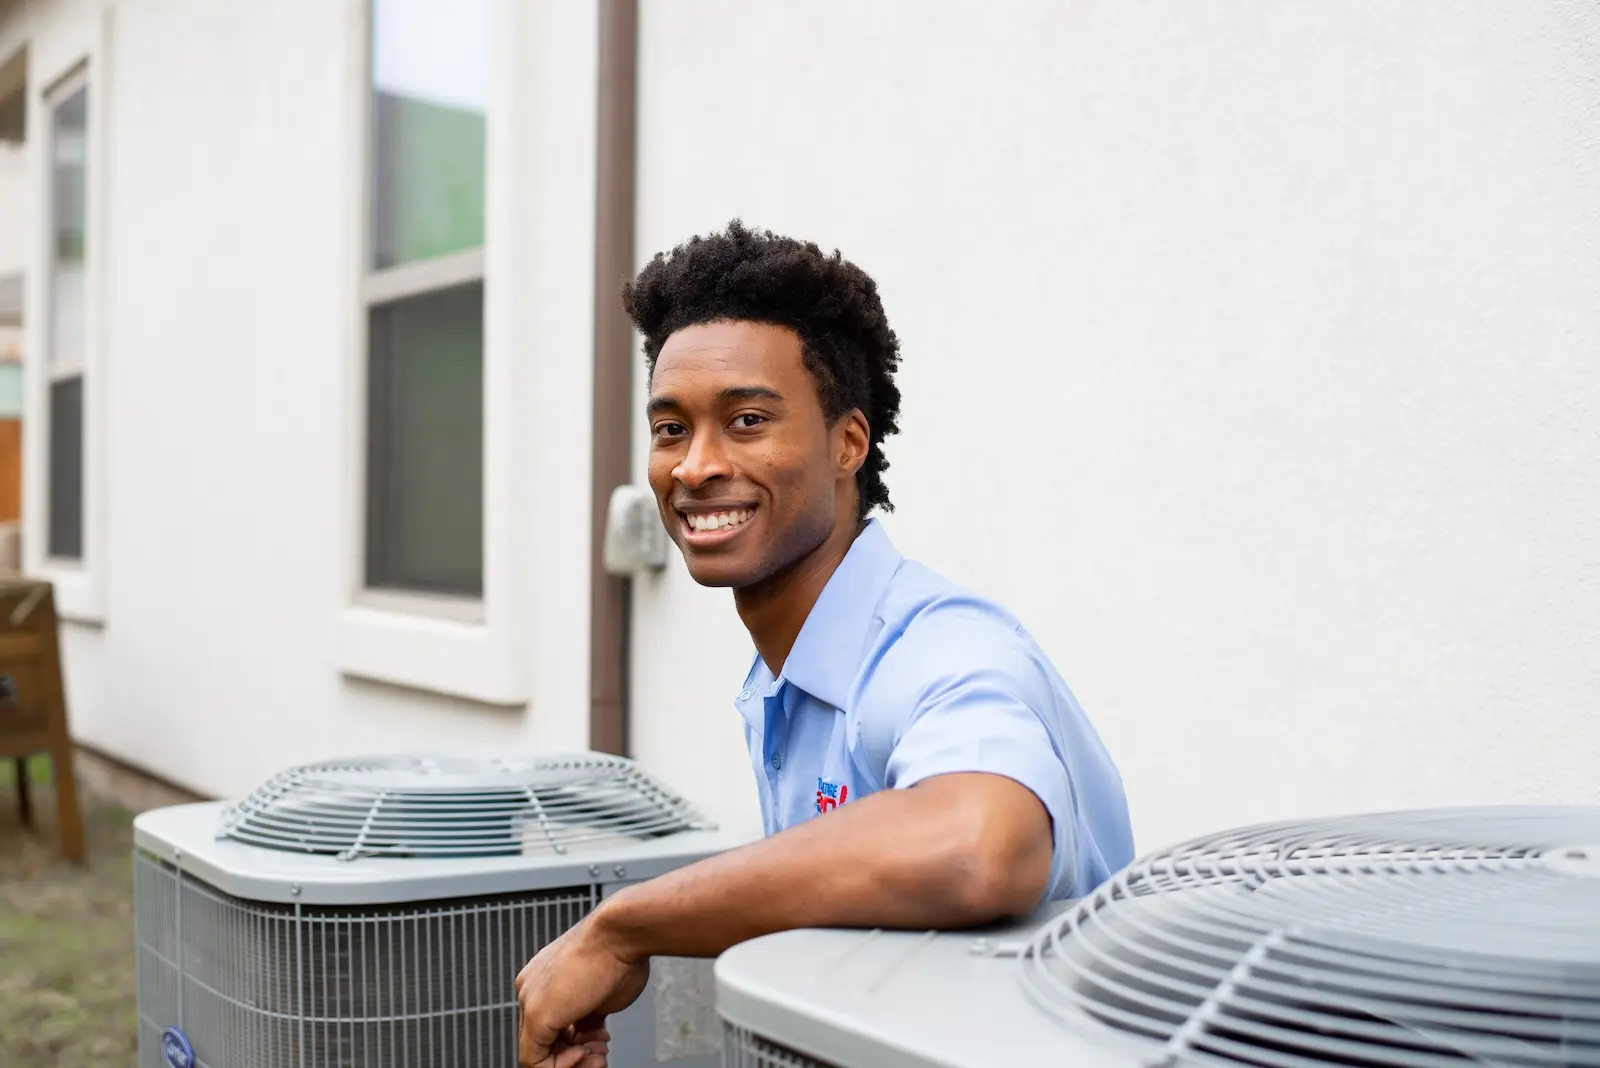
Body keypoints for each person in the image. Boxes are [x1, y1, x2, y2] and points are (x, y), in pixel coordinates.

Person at [515, 221, 1134, 1068]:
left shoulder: (938, 648)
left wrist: (625, 928)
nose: (694, 466)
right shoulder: (785, 678)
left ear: (849, 442)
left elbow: (982, 844)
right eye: (671, 429)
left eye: (746, 420)